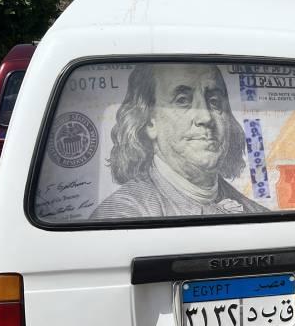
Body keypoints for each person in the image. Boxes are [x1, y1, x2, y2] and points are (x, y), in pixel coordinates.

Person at [92, 64, 268, 219]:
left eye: (214, 102)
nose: (206, 117)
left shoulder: (259, 214)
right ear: (149, 122)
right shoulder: (122, 213)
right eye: (182, 100)